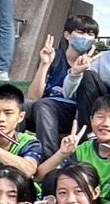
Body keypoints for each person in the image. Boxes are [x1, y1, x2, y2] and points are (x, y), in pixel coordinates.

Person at [25, 15, 99, 155]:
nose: (85, 38)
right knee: (20, 106)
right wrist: (44, 65)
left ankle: (48, 159)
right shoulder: (54, 56)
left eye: (90, 34)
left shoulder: (95, 63)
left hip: (73, 114)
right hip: (44, 111)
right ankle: (11, 151)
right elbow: (34, 97)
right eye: (80, 32)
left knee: (44, 105)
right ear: (67, 35)